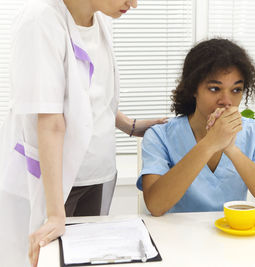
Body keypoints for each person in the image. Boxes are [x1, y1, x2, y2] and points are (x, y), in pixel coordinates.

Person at [0, 0, 166, 266]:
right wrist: (55, 214)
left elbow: (92, 99)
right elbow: (51, 120)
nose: (133, 4)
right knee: (44, 259)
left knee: (87, 259)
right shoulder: (40, 21)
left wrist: (132, 126)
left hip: (97, 175)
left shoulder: (101, 19)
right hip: (54, 183)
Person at [137, 38, 255, 216]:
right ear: (193, 89)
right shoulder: (160, 135)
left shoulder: (254, 131)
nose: (226, 101)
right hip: (175, 237)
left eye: (236, 90)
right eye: (214, 89)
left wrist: (231, 148)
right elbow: (155, 205)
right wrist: (210, 144)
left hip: (231, 236)